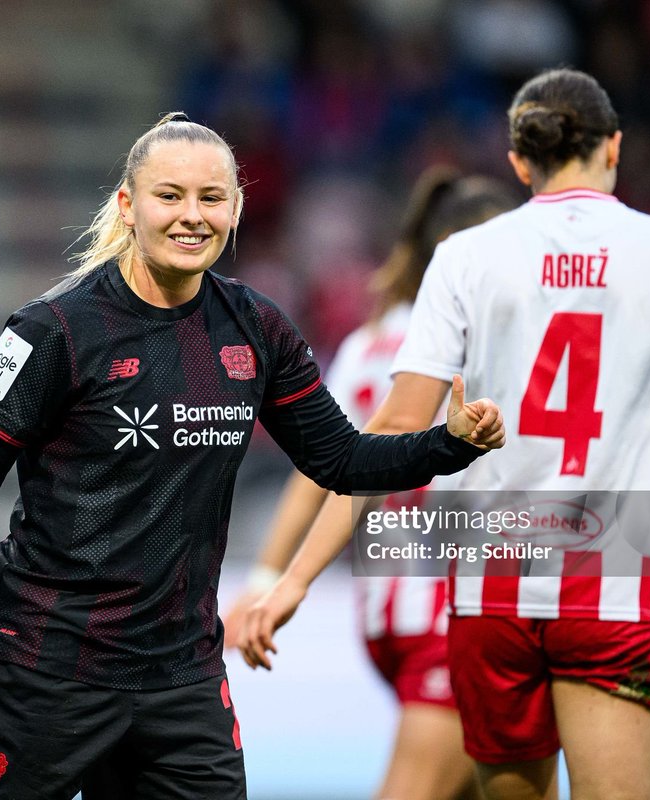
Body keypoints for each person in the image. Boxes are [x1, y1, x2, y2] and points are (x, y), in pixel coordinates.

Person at [0, 112, 506, 800]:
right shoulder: (54, 328)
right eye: (170, 196)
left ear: (237, 209)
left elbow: (339, 461)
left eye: (211, 199)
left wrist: (450, 443)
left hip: (180, 677)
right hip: (46, 666)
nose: (192, 216)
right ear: (128, 205)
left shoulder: (258, 327)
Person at [240, 69, 650, 800]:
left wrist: (292, 580)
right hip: (615, 583)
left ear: (518, 162)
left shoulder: (465, 256)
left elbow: (389, 430)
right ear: (615, 148)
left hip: (492, 591)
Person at [222, 168, 522, 800]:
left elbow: (320, 470)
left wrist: (267, 577)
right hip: (457, 615)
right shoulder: (496, 344)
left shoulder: (370, 341)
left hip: (386, 616)